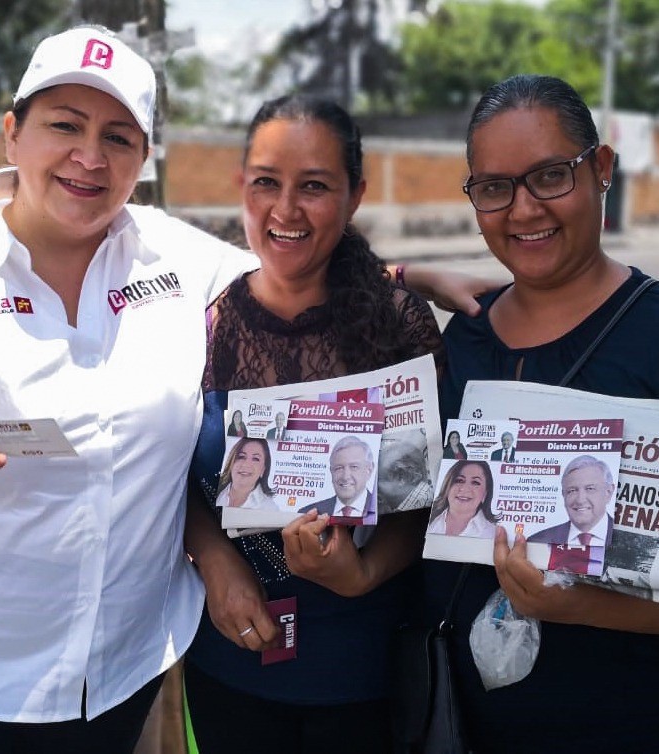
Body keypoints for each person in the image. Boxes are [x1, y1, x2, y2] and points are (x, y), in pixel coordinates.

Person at [0, 26, 260, 754]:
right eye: (65, 125)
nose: (90, 157)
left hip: (114, 675)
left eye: (118, 137)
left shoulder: (176, 257)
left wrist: (412, 284)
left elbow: (290, 289)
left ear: (142, 159)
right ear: (12, 133)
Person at [428, 74, 659, 754]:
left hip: (642, 733)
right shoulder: (465, 336)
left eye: (550, 175)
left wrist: (582, 604)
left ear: (601, 168)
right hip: (463, 730)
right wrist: (411, 276)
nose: (523, 209)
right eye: (493, 187)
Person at [183, 95, 444, 754]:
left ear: (355, 196)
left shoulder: (399, 324)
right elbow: (165, 474)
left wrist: (363, 573)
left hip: (363, 672)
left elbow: (435, 498)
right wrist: (214, 559)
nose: (286, 209)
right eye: (266, 182)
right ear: (242, 187)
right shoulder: (203, 323)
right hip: (228, 660)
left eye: (315, 186)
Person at [528, 454, 614, 546]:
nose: (580, 500)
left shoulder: (624, 537)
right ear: (563, 495)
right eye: (572, 491)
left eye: (590, 489)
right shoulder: (538, 541)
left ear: (608, 492)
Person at [298, 436, 376, 519]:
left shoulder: (382, 510)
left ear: (369, 470)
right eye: (339, 468)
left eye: (354, 467)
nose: (345, 477)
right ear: (331, 471)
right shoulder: (307, 513)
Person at [426, 459, 497, 538]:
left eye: (475, 482)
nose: (464, 488)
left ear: (485, 493)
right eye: (459, 480)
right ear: (447, 485)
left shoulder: (493, 534)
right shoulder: (429, 519)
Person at [215, 437, 276, 510]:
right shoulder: (213, 489)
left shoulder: (269, 507)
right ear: (232, 462)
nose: (246, 464)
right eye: (241, 456)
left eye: (256, 459)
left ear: (263, 469)